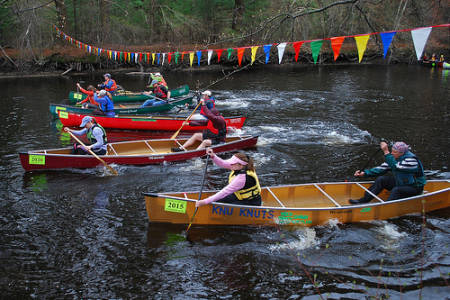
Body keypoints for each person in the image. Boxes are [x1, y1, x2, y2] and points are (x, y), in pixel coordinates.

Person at [349, 141, 426, 204]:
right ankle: (364, 200)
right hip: (401, 182)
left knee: (397, 190)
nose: (392, 153)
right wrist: (364, 173)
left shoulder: (412, 160)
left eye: (394, 152)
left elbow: (396, 167)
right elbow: (382, 168)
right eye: (391, 151)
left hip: (414, 187)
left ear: (402, 153)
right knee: (381, 179)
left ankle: (387, 207)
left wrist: (386, 151)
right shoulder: (395, 158)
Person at [196, 148, 262, 207]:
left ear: (241, 165)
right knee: (217, 201)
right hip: (238, 196)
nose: (230, 164)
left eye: (233, 163)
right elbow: (223, 163)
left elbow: (225, 192)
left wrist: (204, 202)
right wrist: (213, 156)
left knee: (223, 206)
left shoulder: (242, 178)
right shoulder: (239, 167)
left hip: (251, 202)